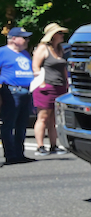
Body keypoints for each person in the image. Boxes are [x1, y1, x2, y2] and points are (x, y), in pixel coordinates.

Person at [30, 23, 69, 156]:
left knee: (54, 119)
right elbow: (35, 67)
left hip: (60, 87)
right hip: (46, 87)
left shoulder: (60, 49)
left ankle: (54, 145)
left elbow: (63, 67)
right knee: (43, 117)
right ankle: (40, 146)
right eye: (60, 33)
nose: (62, 36)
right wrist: (41, 83)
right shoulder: (43, 48)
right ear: (53, 36)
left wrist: (67, 84)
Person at [0, 27, 36, 165]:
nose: (27, 40)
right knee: (9, 124)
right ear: (13, 39)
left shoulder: (25, 54)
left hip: (26, 92)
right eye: (24, 37)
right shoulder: (2, 52)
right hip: (11, 92)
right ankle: (10, 155)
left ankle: (20, 153)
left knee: (22, 125)